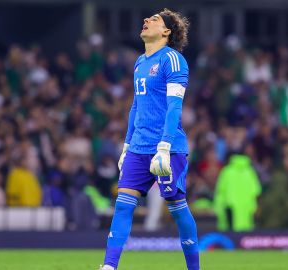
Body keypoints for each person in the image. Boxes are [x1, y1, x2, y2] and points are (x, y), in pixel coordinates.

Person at [100, 8, 199, 270]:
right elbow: (135, 106)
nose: (146, 20)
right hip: (138, 147)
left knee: (177, 208)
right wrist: (127, 146)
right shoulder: (139, 62)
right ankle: (109, 266)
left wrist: (164, 146)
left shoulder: (173, 60)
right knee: (122, 206)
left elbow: (174, 107)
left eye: (154, 20)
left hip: (167, 147)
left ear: (166, 31)